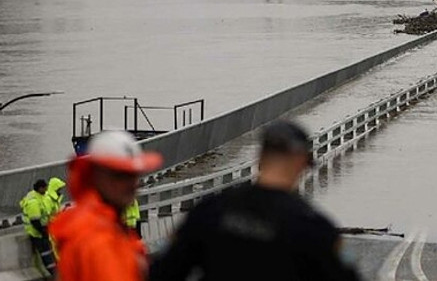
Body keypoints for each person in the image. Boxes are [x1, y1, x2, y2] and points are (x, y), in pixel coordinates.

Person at [150, 120, 360, 281]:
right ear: (301, 163)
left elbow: (163, 271)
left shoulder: (212, 208)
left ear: (260, 158)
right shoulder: (313, 227)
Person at [50, 131, 163, 281]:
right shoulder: (98, 240)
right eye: (120, 175)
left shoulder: (98, 225)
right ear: (94, 176)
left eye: (134, 175)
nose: (131, 184)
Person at [20, 179, 56, 276]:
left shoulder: (39, 196)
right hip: (37, 232)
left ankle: (56, 273)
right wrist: (43, 232)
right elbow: (35, 221)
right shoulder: (33, 202)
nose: (46, 189)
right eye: (45, 188)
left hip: (42, 230)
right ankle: (54, 274)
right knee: (46, 253)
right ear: (40, 188)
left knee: (49, 252)